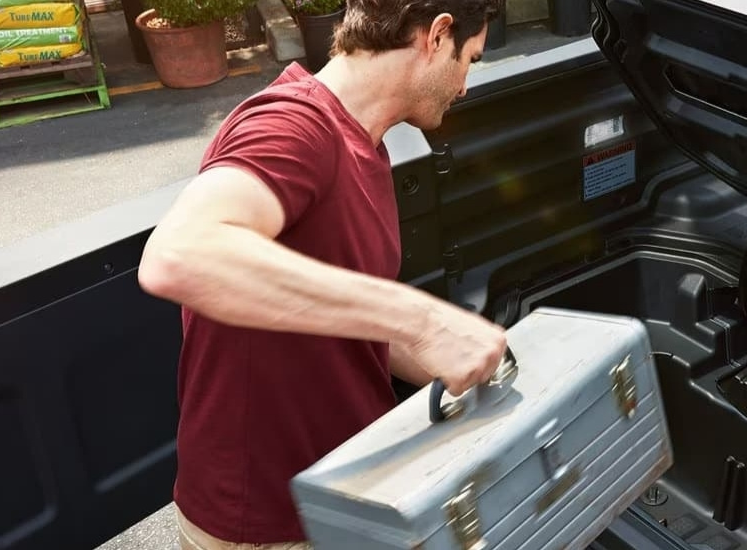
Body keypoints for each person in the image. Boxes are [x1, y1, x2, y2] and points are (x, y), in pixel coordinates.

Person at [136, 0, 508, 546]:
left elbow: (340, 319)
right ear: (437, 35)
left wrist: (453, 355)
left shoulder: (368, 142)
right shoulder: (293, 125)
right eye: (470, 60)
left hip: (343, 495)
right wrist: (419, 321)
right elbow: (180, 254)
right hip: (266, 524)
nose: (466, 85)